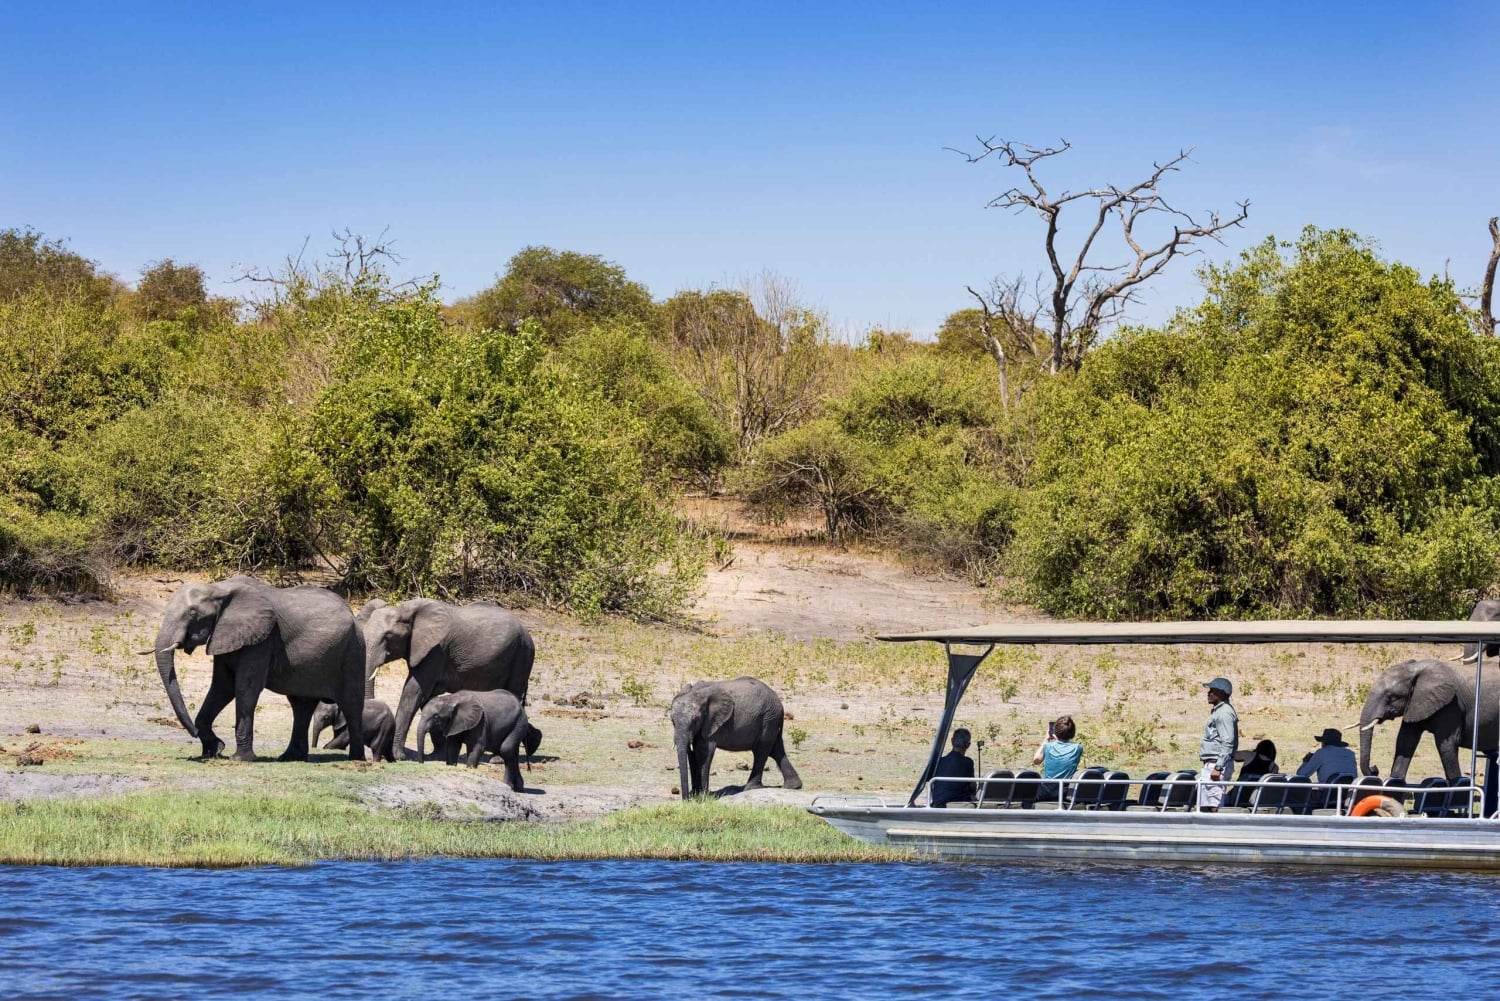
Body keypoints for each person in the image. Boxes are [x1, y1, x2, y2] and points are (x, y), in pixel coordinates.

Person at [1198, 677, 1238, 812]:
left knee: (1213, 804)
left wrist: (1219, 767)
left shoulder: (1224, 713)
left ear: (1222, 693)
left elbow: (1228, 741)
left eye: (1213, 691)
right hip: (1214, 763)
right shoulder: (1219, 711)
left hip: (1216, 764)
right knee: (1207, 802)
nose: (1208, 693)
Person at [1033, 715, 1083, 803]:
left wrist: (1046, 739)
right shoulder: (1078, 748)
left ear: (1055, 732)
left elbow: (1036, 760)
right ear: (1073, 732)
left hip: (1046, 790)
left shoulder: (1048, 746)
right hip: (1065, 791)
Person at [928, 728, 976, 807]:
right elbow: (972, 786)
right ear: (968, 745)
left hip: (937, 803)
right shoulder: (968, 762)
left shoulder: (939, 761)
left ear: (952, 741)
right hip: (954, 803)